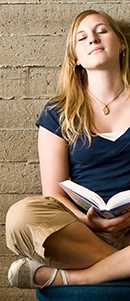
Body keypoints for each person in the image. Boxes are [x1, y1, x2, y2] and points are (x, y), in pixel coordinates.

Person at [5, 9, 130, 289]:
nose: (92, 39)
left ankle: (73, 277)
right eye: (82, 37)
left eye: (102, 31)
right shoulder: (58, 112)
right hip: (82, 230)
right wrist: (87, 220)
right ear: (75, 58)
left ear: (121, 44)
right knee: (21, 216)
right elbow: (53, 194)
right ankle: (120, 264)